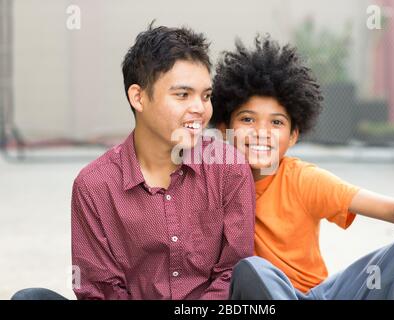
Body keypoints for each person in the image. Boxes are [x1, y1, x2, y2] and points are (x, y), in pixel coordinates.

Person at [11, 23, 255, 300]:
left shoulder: (228, 168)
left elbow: (233, 271)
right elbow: (100, 288)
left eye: (206, 96)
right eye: (183, 95)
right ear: (138, 97)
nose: (200, 109)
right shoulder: (94, 185)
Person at [211, 35, 394, 300]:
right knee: (252, 270)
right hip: (260, 295)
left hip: (321, 295)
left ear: (293, 136)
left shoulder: (303, 179)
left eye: (276, 123)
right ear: (224, 129)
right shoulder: (207, 183)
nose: (261, 132)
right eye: (247, 119)